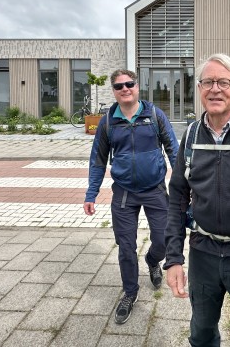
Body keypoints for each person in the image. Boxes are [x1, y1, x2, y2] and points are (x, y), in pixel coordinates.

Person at [165, 53, 230, 347]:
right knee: (201, 332)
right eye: (207, 82)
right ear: (199, 89)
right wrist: (173, 258)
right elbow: (177, 198)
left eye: (224, 82)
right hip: (203, 254)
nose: (215, 89)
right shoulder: (191, 136)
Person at [84, 69, 179, 324]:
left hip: (155, 189)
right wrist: (91, 193)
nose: (125, 89)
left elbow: (173, 150)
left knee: (163, 240)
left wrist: (184, 187)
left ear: (138, 86)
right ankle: (130, 292)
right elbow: (98, 160)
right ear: (114, 91)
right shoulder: (107, 122)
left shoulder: (155, 115)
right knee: (126, 247)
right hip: (124, 192)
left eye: (130, 84)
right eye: (119, 86)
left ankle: (151, 261)